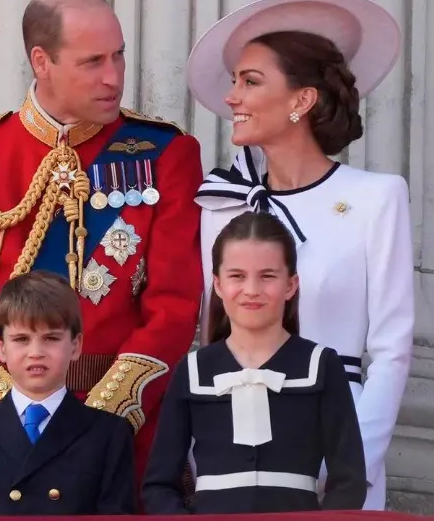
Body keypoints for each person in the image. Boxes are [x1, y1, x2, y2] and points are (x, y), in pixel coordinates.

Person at [0, 0, 203, 485]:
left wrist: (102, 420)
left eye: (119, 56)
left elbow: (175, 306)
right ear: (42, 61)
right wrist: (20, 414)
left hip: (127, 436)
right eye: (93, 62)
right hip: (7, 437)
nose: (113, 77)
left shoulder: (165, 153)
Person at [189, 0, 414, 510]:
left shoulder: (376, 197)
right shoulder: (221, 205)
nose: (231, 98)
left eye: (250, 82)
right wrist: (205, 452)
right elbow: (209, 340)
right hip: (233, 444)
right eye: (234, 82)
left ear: (301, 100)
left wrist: (350, 463)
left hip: (337, 436)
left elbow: (392, 349)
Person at [142, 211, 367, 514]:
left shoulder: (322, 365)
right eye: (237, 276)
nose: (251, 290)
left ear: (291, 284)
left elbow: (349, 481)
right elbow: (159, 485)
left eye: (267, 276)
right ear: (218, 284)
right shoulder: (193, 370)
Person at [0, 270, 136, 516]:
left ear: (76, 345)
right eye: (21, 339)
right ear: (1, 348)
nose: (36, 352)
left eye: (51, 338)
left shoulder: (108, 434)